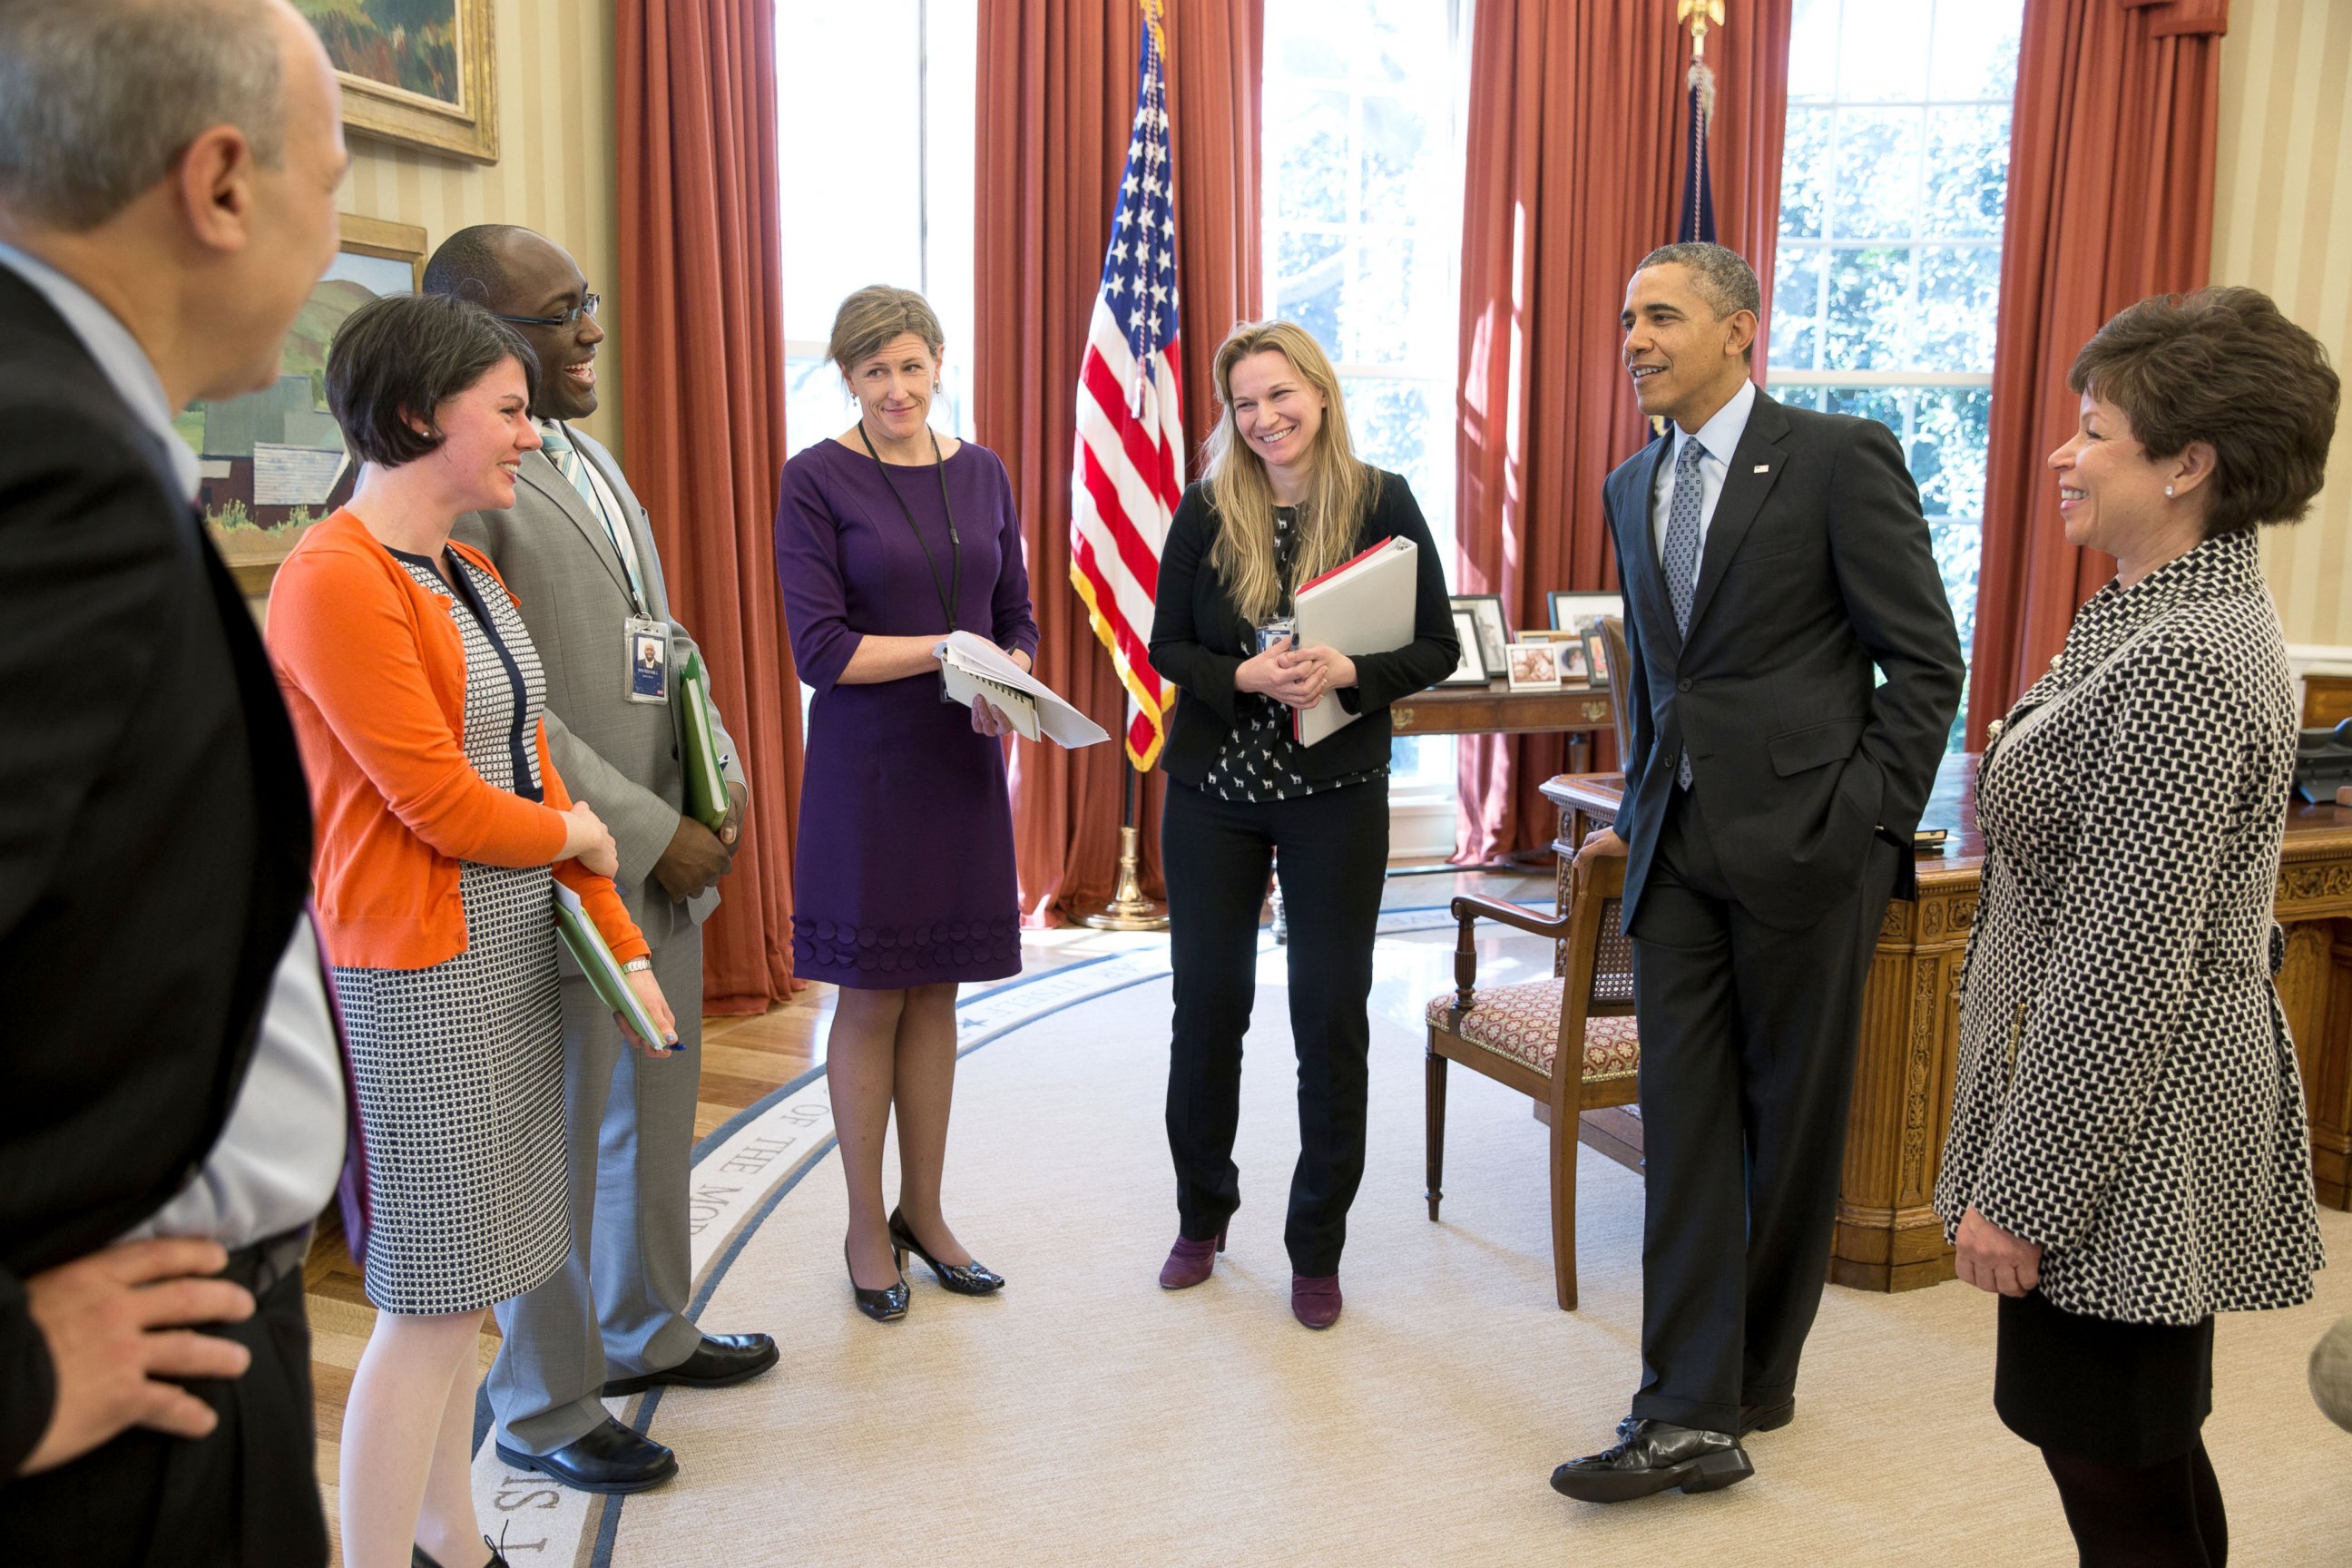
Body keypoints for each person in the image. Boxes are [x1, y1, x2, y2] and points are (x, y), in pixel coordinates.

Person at [0, 4, 349, 1563]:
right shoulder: (46, 458)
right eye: (331, 185)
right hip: (117, 1421)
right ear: (220, 184)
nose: (331, 245)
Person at [267, 293, 681, 1568]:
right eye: (506, 412)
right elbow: (439, 804)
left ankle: (455, 1540)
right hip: (420, 971)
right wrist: (584, 846)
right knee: (431, 1307)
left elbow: (538, 781)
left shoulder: (467, 567)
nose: (528, 434)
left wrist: (623, 945)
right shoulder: (331, 579)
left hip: (508, 948)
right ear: (412, 416)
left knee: (480, 1283)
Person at [1549, 243, 1964, 1502]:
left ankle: (1757, 1383)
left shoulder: (1838, 458)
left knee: (1790, 1134)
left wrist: (1862, 823)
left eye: (1662, 315)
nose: (1635, 338)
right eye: (1626, 318)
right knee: (1682, 1129)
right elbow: (1657, 682)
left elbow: (1926, 661)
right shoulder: (1633, 484)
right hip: (1676, 856)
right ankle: (1679, 1405)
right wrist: (1634, 806)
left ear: (1740, 327)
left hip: (1810, 854)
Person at [1936, 287, 2334, 1567]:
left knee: (2115, 1460)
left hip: (2127, 1136)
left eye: (2094, 428)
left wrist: (2028, 1194)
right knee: (2133, 1448)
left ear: (2187, 465)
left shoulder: (2183, 656)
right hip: (2131, 1114)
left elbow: (2122, 966)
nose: (2063, 451)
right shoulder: (2158, 612)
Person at [426, 223, 773, 1495]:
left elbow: (657, 638)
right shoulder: (462, 485)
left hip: (665, 841)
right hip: (567, 864)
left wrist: (717, 764)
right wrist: (648, 831)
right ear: (475, 327)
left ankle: (645, 1329)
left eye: (587, 303)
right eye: (561, 310)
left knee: (655, 1108)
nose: (591, 330)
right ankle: (546, 1401)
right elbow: (516, 710)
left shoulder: (587, 453)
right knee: (560, 1141)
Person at [1147, 318, 1459, 1330]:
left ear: (1320, 394)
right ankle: (1203, 1218)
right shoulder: (1205, 509)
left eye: (1280, 395)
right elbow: (1167, 645)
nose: (1265, 418)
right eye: (1244, 403)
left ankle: (1316, 1247)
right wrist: (1237, 673)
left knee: (1330, 1020)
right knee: (1209, 1014)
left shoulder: (1383, 501)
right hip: (1212, 802)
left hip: (1334, 799)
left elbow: (1438, 647)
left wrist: (1353, 673)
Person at [775, 284, 1036, 1320]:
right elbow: (820, 650)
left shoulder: (983, 472)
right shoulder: (814, 478)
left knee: (940, 993)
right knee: (872, 995)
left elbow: (1013, 612)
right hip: (866, 770)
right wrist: (946, 653)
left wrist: (1005, 678)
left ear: (939, 365)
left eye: (912, 365)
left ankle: (924, 1214)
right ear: (847, 377)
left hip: (963, 759)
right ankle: (860, 1223)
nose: (896, 387)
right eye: (874, 369)